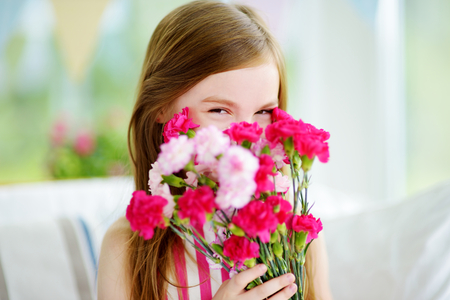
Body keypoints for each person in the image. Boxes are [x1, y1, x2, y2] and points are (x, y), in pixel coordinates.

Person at [97, 1, 333, 299]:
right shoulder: (127, 248)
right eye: (220, 110)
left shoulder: (293, 230)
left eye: (263, 112)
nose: (245, 136)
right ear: (161, 107)